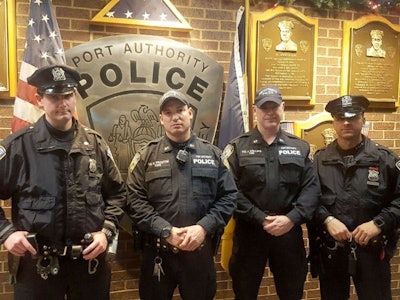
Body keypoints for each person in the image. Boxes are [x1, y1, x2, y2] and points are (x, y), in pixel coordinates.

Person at [0, 64, 126, 300]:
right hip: (38, 267)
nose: (62, 103)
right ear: (39, 100)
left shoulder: (95, 144)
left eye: (67, 95)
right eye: (54, 97)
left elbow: (118, 194)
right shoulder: (18, 147)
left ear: (74, 97)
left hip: (89, 266)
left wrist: (106, 232)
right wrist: (6, 233)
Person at [125, 90, 237, 300]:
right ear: (161, 119)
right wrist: (165, 230)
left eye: (180, 110)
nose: (175, 117)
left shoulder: (213, 155)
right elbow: (134, 201)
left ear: (190, 113)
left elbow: (229, 197)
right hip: (158, 253)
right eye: (168, 112)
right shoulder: (146, 156)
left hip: (199, 254)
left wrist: (203, 227)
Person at [224, 85, 320, 300]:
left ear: (282, 108)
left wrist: (291, 219)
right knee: (244, 293)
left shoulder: (301, 148)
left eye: (274, 106)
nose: (269, 112)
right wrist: (259, 217)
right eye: (264, 107)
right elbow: (229, 190)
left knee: (291, 293)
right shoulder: (237, 148)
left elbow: (312, 189)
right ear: (254, 109)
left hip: (288, 233)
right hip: (249, 233)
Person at [309, 95, 400, 300]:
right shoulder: (319, 161)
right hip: (332, 250)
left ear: (363, 120)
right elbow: (308, 199)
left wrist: (378, 223)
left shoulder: (385, 159)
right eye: (340, 117)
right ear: (334, 122)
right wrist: (327, 219)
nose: (346, 122)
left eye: (353, 116)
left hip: (372, 250)